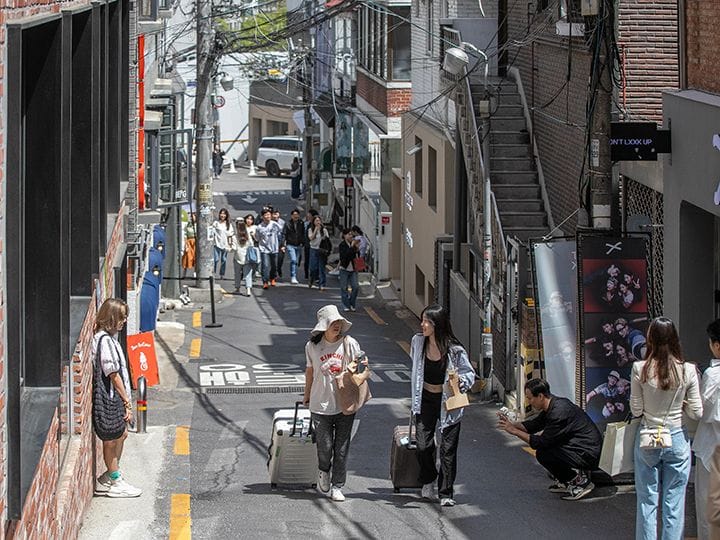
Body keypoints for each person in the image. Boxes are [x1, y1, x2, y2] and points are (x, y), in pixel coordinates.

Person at [630, 316, 702, 540]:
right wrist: (683, 403)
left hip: (648, 436)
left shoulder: (639, 368)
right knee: (674, 502)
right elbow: (697, 413)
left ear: (649, 338)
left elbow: (635, 410)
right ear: (674, 339)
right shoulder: (688, 370)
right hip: (677, 436)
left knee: (647, 500)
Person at [410, 304, 475, 507]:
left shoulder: (454, 350)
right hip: (425, 399)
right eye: (422, 320)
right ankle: (429, 478)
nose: (422, 325)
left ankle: (446, 492)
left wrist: (461, 382)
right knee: (422, 444)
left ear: (437, 324)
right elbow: (416, 366)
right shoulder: (417, 342)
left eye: (426, 321)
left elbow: (469, 373)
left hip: (449, 403)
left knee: (447, 449)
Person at [497, 378, 602, 501]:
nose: (529, 402)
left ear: (540, 396)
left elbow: (541, 442)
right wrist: (511, 424)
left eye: (530, 398)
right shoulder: (553, 406)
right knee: (545, 451)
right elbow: (533, 425)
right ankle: (566, 481)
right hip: (578, 447)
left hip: (588, 453)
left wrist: (514, 431)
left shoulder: (559, 412)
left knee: (544, 453)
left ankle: (579, 482)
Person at [302, 305, 366, 502]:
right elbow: (310, 372)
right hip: (319, 403)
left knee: (342, 447)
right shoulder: (312, 346)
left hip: (345, 403)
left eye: (339, 322)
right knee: (325, 446)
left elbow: (362, 367)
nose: (337, 325)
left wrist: (357, 369)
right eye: (333, 322)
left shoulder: (350, 343)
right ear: (324, 326)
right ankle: (323, 470)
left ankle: (338, 485)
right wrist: (306, 395)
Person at [92, 298, 142, 498]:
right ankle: (115, 481)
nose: (124, 321)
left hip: (116, 398)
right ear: (111, 317)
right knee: (111, 439)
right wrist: (126, 402)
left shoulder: (109, 339)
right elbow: (112, 374)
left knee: (121, 434)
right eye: (121, 317)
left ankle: (111, 474)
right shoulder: (104, 341)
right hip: (111, 399)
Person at [695, 319, 720, 540]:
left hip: (712, 448)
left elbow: (701, 410)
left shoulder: (713, 375)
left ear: (717, 345)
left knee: (708, 507)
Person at [254, 208, 283, 289]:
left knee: (274, 265)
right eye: (266, 215)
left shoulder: (275, 224)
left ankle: (272, 278)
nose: (267, 216)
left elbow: (281, 232)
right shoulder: (259, 227)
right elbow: (257, 238)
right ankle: (265, 281)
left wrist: (281, 244)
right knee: (265, 266)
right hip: (264, 249)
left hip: (274, 248)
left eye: (269, 215)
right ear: (262, 217)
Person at [338, 228, 361, 312]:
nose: (351, 236)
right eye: (349, 234)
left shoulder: (354, 245)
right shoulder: (342, 245)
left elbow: (357, 256)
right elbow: (345, 257)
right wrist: (352, 247)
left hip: (353, 269)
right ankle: (346, 305)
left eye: (351, 234)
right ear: (344, 236)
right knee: (344, 288)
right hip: (344, 268)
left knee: (355, 287)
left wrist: (357, 249)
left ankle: (352, 303)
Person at [232, 219, 256, 296]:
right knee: (248, 274)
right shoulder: (248, 235)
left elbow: (234, 248)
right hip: (247, 257)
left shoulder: (235, 237)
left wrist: (227, 248)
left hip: (238, 257)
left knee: (237, 273)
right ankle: (248, 290)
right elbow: (252, 245)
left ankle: (237, 288)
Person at [308, 215, 330, 291]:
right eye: (316, 221)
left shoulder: (324, 230)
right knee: (313, 267)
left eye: (319, 220)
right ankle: (312, 278)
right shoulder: (310, 229)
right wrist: (316, 230)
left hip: (321, 250)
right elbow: (311, 238)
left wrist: (322, 232)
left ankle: (322, 284)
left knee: (322, 268)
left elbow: (327, 240)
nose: (318, 222)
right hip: (313, 249)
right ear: (313, 222)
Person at [283, 209, 305, 284]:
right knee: (293, 260)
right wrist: (283, 244)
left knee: (296, 262)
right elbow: (284, 234)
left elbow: (303, 233)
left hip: (299, 245)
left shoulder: (301, 223)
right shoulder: (287, 223)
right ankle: (293, 276)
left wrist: (303, 242)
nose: (295, 216)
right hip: (290, 244)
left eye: (297, 214)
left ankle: (294, 274)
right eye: (294, 214)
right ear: (291, 216)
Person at [212, 208, 234, 279]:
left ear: (226, 215)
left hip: (225, 245)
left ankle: (222, 274)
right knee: (216, 259)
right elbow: (211, 232)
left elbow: (230, 236)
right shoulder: (216, 223)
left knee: (223, 260)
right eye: (221, 213)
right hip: (217, 244)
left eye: (224, 214)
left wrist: (230, 245)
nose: (222, 215)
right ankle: (213, 273)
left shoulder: (229, 225)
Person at [303, 209, 319, 281]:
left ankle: (316, 276)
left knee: (316, 262)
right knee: (307, 261)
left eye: (309, 215)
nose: (308, 216)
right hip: (308, 245)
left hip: (317, 246)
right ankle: (307, 275)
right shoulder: (307, 224)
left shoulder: (319, 226)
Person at [181, 212, 196, 279]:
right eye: (191, 216)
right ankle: (184, 273)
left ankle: (195, 273)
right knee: (187, 257)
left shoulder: (197, 225)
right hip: (189, 241)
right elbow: (185, 234)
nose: (192, 218)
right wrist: (185, 244)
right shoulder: (187, 225)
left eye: (193, 216)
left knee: (196, 257)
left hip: (195, 242)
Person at [272, 210, 286, 279]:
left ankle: (279, 269)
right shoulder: (270, 222)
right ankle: (274, 274)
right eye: (274, 214)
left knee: (280, 259)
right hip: (272, 243)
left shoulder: (282, 222)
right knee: (273, 260)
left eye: (277, 214)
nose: (275, 216)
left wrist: (283, 245)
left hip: (280, 242)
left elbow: (284, 234)